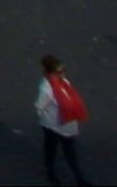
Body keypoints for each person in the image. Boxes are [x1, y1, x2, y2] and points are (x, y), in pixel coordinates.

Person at [38, 53, 94, 186]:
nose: (63, 73)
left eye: (63, 70)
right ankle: (52, 173)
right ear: (52, 73)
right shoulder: (46, 88)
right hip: (52, 125)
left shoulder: (64, 82)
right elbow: (40, 106)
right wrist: (50, 116)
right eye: (60, 71)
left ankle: (78, 178)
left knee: (70, 152)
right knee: (51, 150)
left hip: (66, 125)